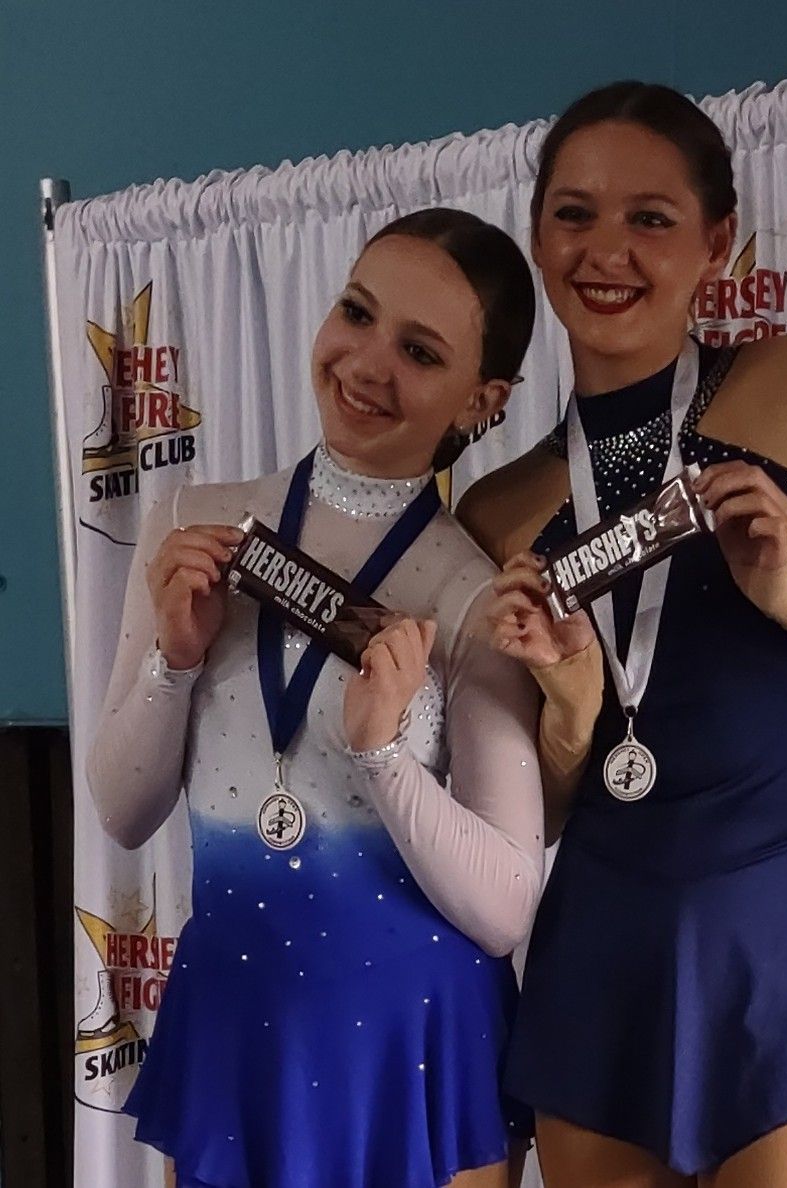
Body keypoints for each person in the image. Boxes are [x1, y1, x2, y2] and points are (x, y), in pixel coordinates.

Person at [458, 81, 787, 1188]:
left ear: (716, 242)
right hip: (602, 948)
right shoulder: (495, 512)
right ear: (536, 233)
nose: (607, 250)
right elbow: (534, 816)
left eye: (650, 217)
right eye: (575, 214)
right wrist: (574, 705)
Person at [87, 208, 545, 1188]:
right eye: (357, 312)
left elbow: (506, 908)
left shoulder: (470, 594)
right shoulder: (193, 522)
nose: (367, 364)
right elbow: (122, 813)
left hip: (415, 1043)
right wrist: (174, 660)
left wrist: (383, 757)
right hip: (236, 1017)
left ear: (483, 398)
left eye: (419, 351)